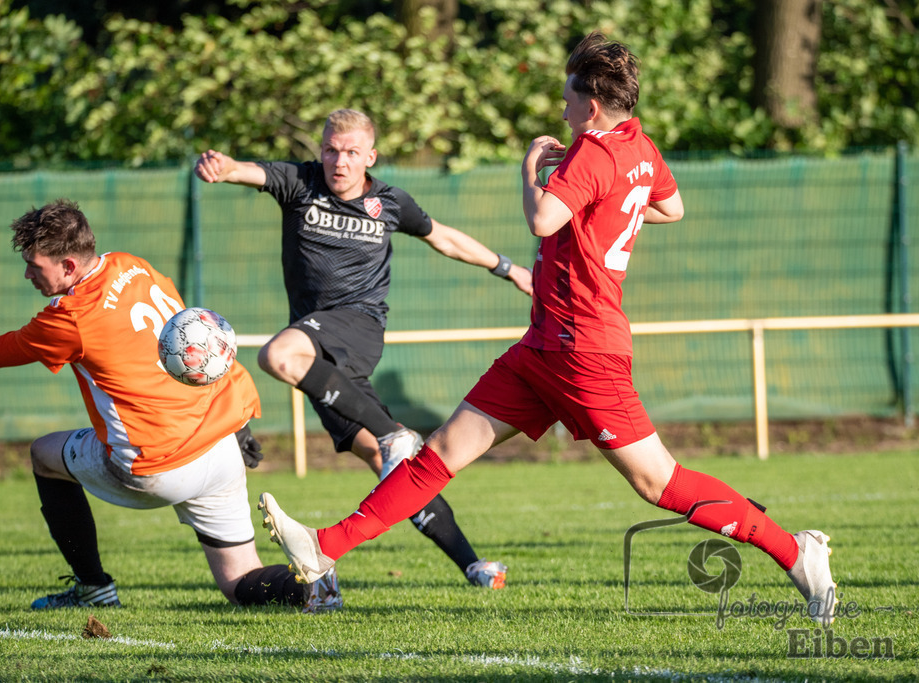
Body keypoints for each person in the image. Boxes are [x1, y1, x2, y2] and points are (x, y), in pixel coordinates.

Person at [256, 33, 839, 626]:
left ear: (590, 107)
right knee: (440, 454)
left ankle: (798, 553)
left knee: (661, 484)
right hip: (543, 347)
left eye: (567, 99)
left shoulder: (590, 152)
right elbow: (670, 207)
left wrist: (533, 169)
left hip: (587, 350)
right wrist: (597, 194)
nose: (562, 109)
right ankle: (323, 546)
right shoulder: (639, 146)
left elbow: (542, 218)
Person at [0, 198, 341, 613]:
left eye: (34, 266)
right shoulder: (133, 266)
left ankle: (92, 587)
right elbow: (198, 344)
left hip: (155, 466)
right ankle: (310, 588)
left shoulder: (69, 317)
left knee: (44, 455)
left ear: (69, 265)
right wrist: (240, 422)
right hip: (219, 445)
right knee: (239, 581)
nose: (28, 276)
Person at [194, 109, 533, 589]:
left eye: (351, 152)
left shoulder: (390, 202)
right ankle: (474, 566)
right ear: (321, 150)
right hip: (323, 355)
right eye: (331, 149)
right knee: (389, 465)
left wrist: (510, 268)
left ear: (369, 156)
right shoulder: (300, 183)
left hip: (358, 325)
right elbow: (243, 171)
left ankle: (392, 435)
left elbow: (446, 238)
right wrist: (221, 167)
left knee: (278, 356)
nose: (339, 160)